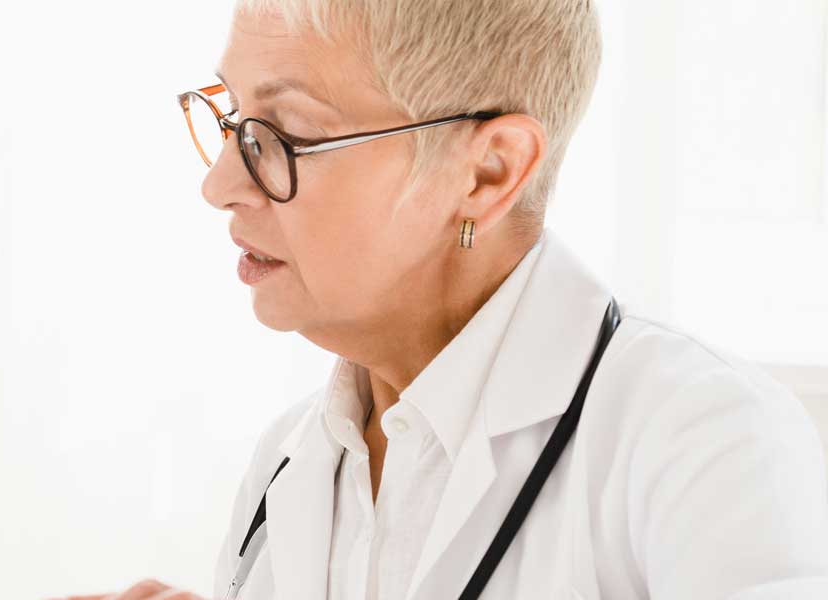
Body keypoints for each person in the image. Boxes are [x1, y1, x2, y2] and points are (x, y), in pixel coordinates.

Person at [65, 0, 828, 598]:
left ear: (488, 172)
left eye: (284, 134)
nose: (220, 185)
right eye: (233, 121)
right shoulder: (290, 460)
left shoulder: (703, 439)